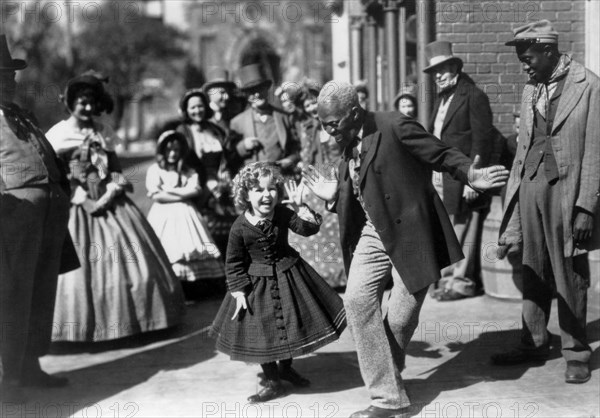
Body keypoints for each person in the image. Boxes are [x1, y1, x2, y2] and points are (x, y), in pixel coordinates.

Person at [302, 81, 509, 418]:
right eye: (324, 124)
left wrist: (471, 174)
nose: (327, 132)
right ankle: (387, 398)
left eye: (332, 124)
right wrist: (333, 195)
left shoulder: (395, 125)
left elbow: (440, 153)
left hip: (414, 234)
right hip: (372, 231)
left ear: (353, 113)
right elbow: (357, 184)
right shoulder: (346, 137)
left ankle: (390, 375)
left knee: (400, 320)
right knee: (356, 301)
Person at [493, 20, 600, 385]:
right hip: (531, 187)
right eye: (522, 59)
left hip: (567, 193)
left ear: (550, 51)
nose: (524, 65)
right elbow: (524, 147)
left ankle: (576, 352)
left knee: (570, 272)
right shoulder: (530, 88)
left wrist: (586, 207)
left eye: (529, 57)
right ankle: (534, 341)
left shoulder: (588, 86)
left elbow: (595, 152)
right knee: (532, 267)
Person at [46, 71, 185, 342]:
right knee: (76, 273)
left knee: (135, 263)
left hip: (111, 202)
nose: (87, 107)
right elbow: (56, 175)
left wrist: (113, 188)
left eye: (91, 102)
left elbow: (116, 169)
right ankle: (78, 329)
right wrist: (81, 198)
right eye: (81, 101)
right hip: (76, 205)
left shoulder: (104, 133)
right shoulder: (59, 135)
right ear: (70, 102)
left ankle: (138, 322)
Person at [209, 162, 346, 403]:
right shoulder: (239, 227)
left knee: (290, 325)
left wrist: (300, 207)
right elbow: (233, 262)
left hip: (289, 274)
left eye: (272, 189)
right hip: (255, 285)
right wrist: (239, 291)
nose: (266, 195)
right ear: (245, 195)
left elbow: (307, 230)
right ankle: (272, 381)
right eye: (258, 190)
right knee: (264, 332)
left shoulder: (282, 214)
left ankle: (286, 368)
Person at [0, 34, 77, 401]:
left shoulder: (22, 115)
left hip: (47, 218)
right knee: (10, 297)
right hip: (12, 221)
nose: (8, 81)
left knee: (40, 292)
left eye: (9, 74)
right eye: (1, 75)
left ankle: (30, 366)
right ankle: (8, 379)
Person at [424, 40, 496, 301]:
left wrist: (473, 181)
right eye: (434, 73)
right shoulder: (443, 98)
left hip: (464, 177)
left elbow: (482, 140)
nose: (438, 76)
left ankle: (462, 283)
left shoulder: (474, 96)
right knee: (449, 230)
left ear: (455, 67)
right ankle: (447, 280)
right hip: (442, 176)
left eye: (442, 70)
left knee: (464, 229)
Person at [146, 130, 225, 289]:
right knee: (169, 245)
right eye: (169, 150)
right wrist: (182, 194)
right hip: (162, 213)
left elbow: (195, 189)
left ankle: (194, 285)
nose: (173, 154)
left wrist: (169, 192)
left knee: (191, 243)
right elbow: (156, 195)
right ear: (162, 151)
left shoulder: (187, 170)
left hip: (186, 212)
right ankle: (170, 283)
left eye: (176, 150)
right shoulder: (156, 169)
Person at [291, 79, 346, 288]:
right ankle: (321, 278)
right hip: (316, 179)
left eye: (314, 102)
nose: (312, 108)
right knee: (314, 223)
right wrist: (305, 183)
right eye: (307, 105)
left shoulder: (335, 122)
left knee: (337, 224)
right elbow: (307, 159)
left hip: (338, 177)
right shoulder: (308, 129)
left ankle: (342, 275)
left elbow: (345, 152)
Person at [176, 89, 237, 261]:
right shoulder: (183, 131)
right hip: (197, 188)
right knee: (202, 233)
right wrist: (204, 184)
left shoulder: (216, 130)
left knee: (227, 231)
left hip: (220, 186)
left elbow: (226, 158)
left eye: (200, 106)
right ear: (186, 110)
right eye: (193, 107)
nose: (197, 111)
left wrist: (223, 178)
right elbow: (181, 164)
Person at [229, 64, 300, 177]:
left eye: (260, 89)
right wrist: (243, 146)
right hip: (252, 184)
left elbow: (296, 148)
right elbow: (230, 156)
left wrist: (289, 161)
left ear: (267, 89)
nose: (256, 94)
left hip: (281, 179)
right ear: (246, 96)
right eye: (251, 92)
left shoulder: (284, 117)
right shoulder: (237, 122)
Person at [202, 67, 237, 134]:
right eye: (222, 92)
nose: (227, 97)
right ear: (210, 92)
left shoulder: (233, 113)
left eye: (228, 92)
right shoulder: (203, 114)